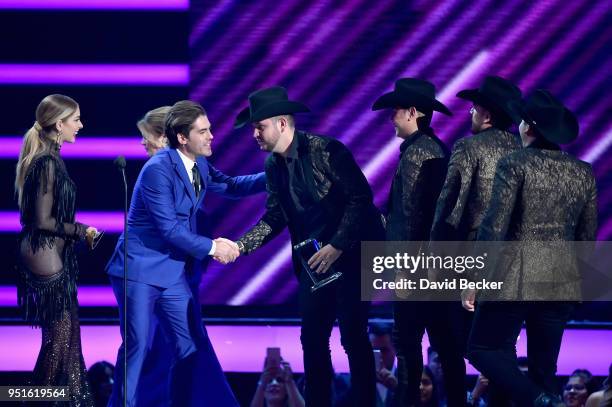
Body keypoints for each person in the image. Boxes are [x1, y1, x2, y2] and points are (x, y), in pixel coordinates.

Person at [106, 100, 266, 406]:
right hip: (138, 271)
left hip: (171, 272)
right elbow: (169, 230)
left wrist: (276, 174)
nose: (212, 136)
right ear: (182, 137)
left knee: (188, 346)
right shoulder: (157, 170)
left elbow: (230, 185)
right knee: (138, 347)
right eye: (203, 131)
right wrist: (213, 247)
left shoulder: (198, 163)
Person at [234, 86, 385, 407]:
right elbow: (276, 215)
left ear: (283, 124)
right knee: (313, 340)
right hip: (313, 262)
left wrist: (337, 245)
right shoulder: (273, 166)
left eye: (259, 127)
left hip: (353, 253)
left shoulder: (327, 151)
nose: (255, 134)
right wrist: (240, 246)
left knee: (353, 337)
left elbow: (361, 200)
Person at [464, 90, 598, 406]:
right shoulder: (583, 171)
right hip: (561, 283)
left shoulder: (515, 164)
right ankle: (542, 396)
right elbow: (587, 238)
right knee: (544, 370)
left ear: (528, 127)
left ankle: (540, 399)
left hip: (515, 278)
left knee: (481, 349)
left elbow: (494, 226)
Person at [372, 78, 468, 406]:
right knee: (445, 346)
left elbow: (414, 218)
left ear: (413, 113)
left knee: (411, 350)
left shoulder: (420, 154)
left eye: (396, 111)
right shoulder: (433, 150)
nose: (391, 118)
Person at [15, 94, 97, 405]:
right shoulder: (46, 161)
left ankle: (67, 400)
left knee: (68, 338)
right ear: (59, 124)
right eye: (75, 119)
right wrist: (81, 229)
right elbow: (42, 220)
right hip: (43, 254)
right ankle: (29, 401)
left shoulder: (48, 157)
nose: (80, 125)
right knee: (60, 341)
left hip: (46, 254)